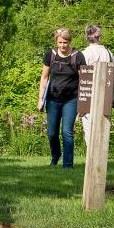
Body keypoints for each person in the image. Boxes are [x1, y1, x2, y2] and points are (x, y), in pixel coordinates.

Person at [38, 28, 86, 169]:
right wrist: (40, 99)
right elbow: (44, 78)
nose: (63, 45)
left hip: (71, 99)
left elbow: (84, 80)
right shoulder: (50, 55)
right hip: (52, 99)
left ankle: (67, 164)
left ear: (70, 41)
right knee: (52, 133)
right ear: (56, 42)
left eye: (65, 42)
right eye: (60, 42)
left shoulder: (78, 56)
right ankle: (55, 155)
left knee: (67, 132)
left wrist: (83, 102)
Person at [81, 25, 114, 148]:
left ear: (86, 37)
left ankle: (91, 157)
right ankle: (101, 157)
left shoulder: (84, 54)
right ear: (99, 37)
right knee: (103, 127)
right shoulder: (109, 53)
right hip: (106, 95)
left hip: (88, 95)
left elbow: (80, 78)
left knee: (89, 127)